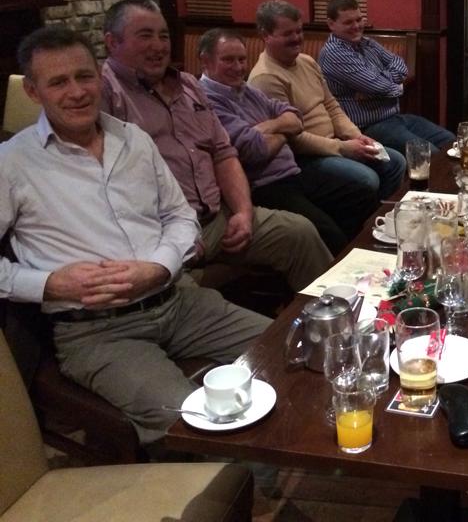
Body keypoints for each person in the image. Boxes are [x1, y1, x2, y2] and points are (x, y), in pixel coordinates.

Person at [0, 26, 271, 444]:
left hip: (179, 301)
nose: (77, 92)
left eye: (84, 76)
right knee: (192, 424)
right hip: (97, 331)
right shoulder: (12, 162)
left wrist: (159, 267)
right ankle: (246, 473)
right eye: (58, 82)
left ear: (100, 76)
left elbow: (180, 216)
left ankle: (280, 459)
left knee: (291, 352)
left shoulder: (134, 140)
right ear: (33, 92)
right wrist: (48, 284)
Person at [99, 0, 332, 293]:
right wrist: (174, 236)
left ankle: (336, 316)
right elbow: (103, 187)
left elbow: (224, 154)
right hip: (159, 235)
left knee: (300, 233)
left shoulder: (188, 85)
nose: (158, 46)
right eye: (145, 36)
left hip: (217, 218)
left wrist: (243, 212)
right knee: (179, 295)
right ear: (112, 42)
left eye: (164, 36)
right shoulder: (104, 94)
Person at [248, 0, 405, 237]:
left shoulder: (306, 61)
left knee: (395, 162)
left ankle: (381, 229)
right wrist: (343, 148)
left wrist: (356, 136)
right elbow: (292, 138)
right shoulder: (265, 78)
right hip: (304, 159)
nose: (297, 38)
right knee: (366, 179)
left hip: (336, 143)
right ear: (265, 35)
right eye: (288, 34)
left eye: (299, 31)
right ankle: (358, 238)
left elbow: (332, 105)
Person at [197, 28, 348, 255]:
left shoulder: (246, 89)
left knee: (359, 191)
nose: (238, 67)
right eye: (228, 60)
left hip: (292, 172)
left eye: (241, 59)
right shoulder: (206, 100)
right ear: (205, 61)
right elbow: (254, 150)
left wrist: (270, 128)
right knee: (332, 233)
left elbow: (295, 117)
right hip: (264, 185)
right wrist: (284, 130)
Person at [318, 0, 455, 152]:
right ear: (331, 24)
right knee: (427, 153)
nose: (356, 26)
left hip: (394, 117)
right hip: (367, 127)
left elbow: (399, 65)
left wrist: (377, 83)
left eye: (359, 19)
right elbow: (378, 87)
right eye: (348, 22)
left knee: (450, 141)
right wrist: (395, 87)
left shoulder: (367, 43)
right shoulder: (335, 53)